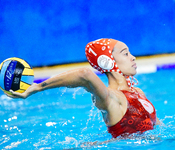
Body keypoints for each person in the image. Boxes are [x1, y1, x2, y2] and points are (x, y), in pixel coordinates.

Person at [6, 38, 160, 138]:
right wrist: (37, 88)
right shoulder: (111, 99)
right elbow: (84, 75)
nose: (133, 57)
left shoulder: (138, 92)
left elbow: (158, 127)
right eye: (125, 54)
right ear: (107, 61)